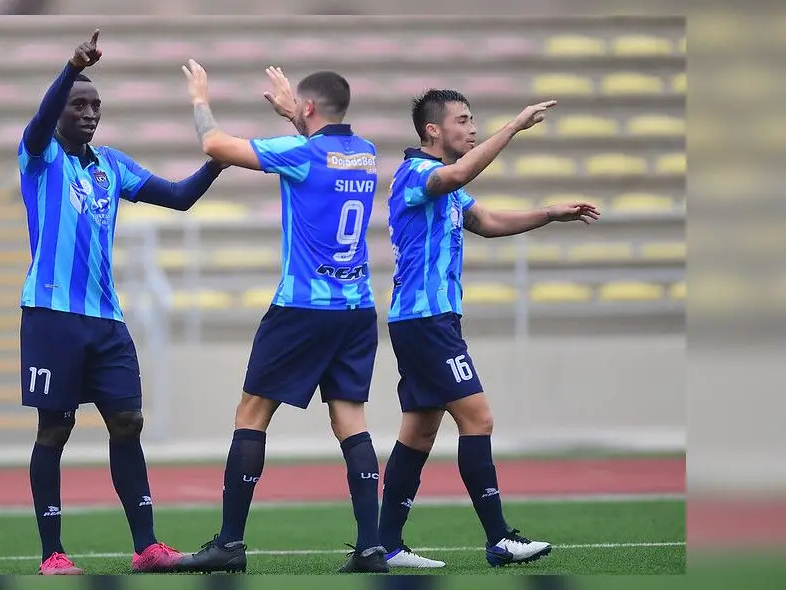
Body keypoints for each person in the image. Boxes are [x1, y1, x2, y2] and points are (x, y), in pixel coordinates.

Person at [18, 31, 228, 575]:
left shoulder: (110, 164)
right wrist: (70, 67)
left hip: (107, 320)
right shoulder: (38, 157)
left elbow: (178, 198)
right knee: (54, 430)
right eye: (78, 105)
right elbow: (38, 124)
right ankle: (52, 555)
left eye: (95, 106)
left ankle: (147, 548)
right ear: (60, 109)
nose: (89, 114)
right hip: (52, 315)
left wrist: (219, 161)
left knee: (128, 422)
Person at [173, 61, 389, 574]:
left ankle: (229, 543)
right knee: (350, 421)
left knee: (252, 415)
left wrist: (200, 98)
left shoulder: (300, 152)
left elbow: (214, 146)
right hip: (356, 308)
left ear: (308, 107)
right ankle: (371, 547)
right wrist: (298, 115)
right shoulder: (366, 154)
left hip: (302, 308)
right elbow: (322, 151)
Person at [378, 89, 601, 569]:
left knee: (418, 433)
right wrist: (515, 126)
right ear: (433, 130)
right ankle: (499, 539)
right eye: (464, 120)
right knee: (477, 419)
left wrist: (549, 214)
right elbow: (459, 172)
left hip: (423, 321)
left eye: (475, 119)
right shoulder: (418, 174)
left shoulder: (447, 186)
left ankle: (387, 546)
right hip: (427, 321)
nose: (473, 127)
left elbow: (487, 220)